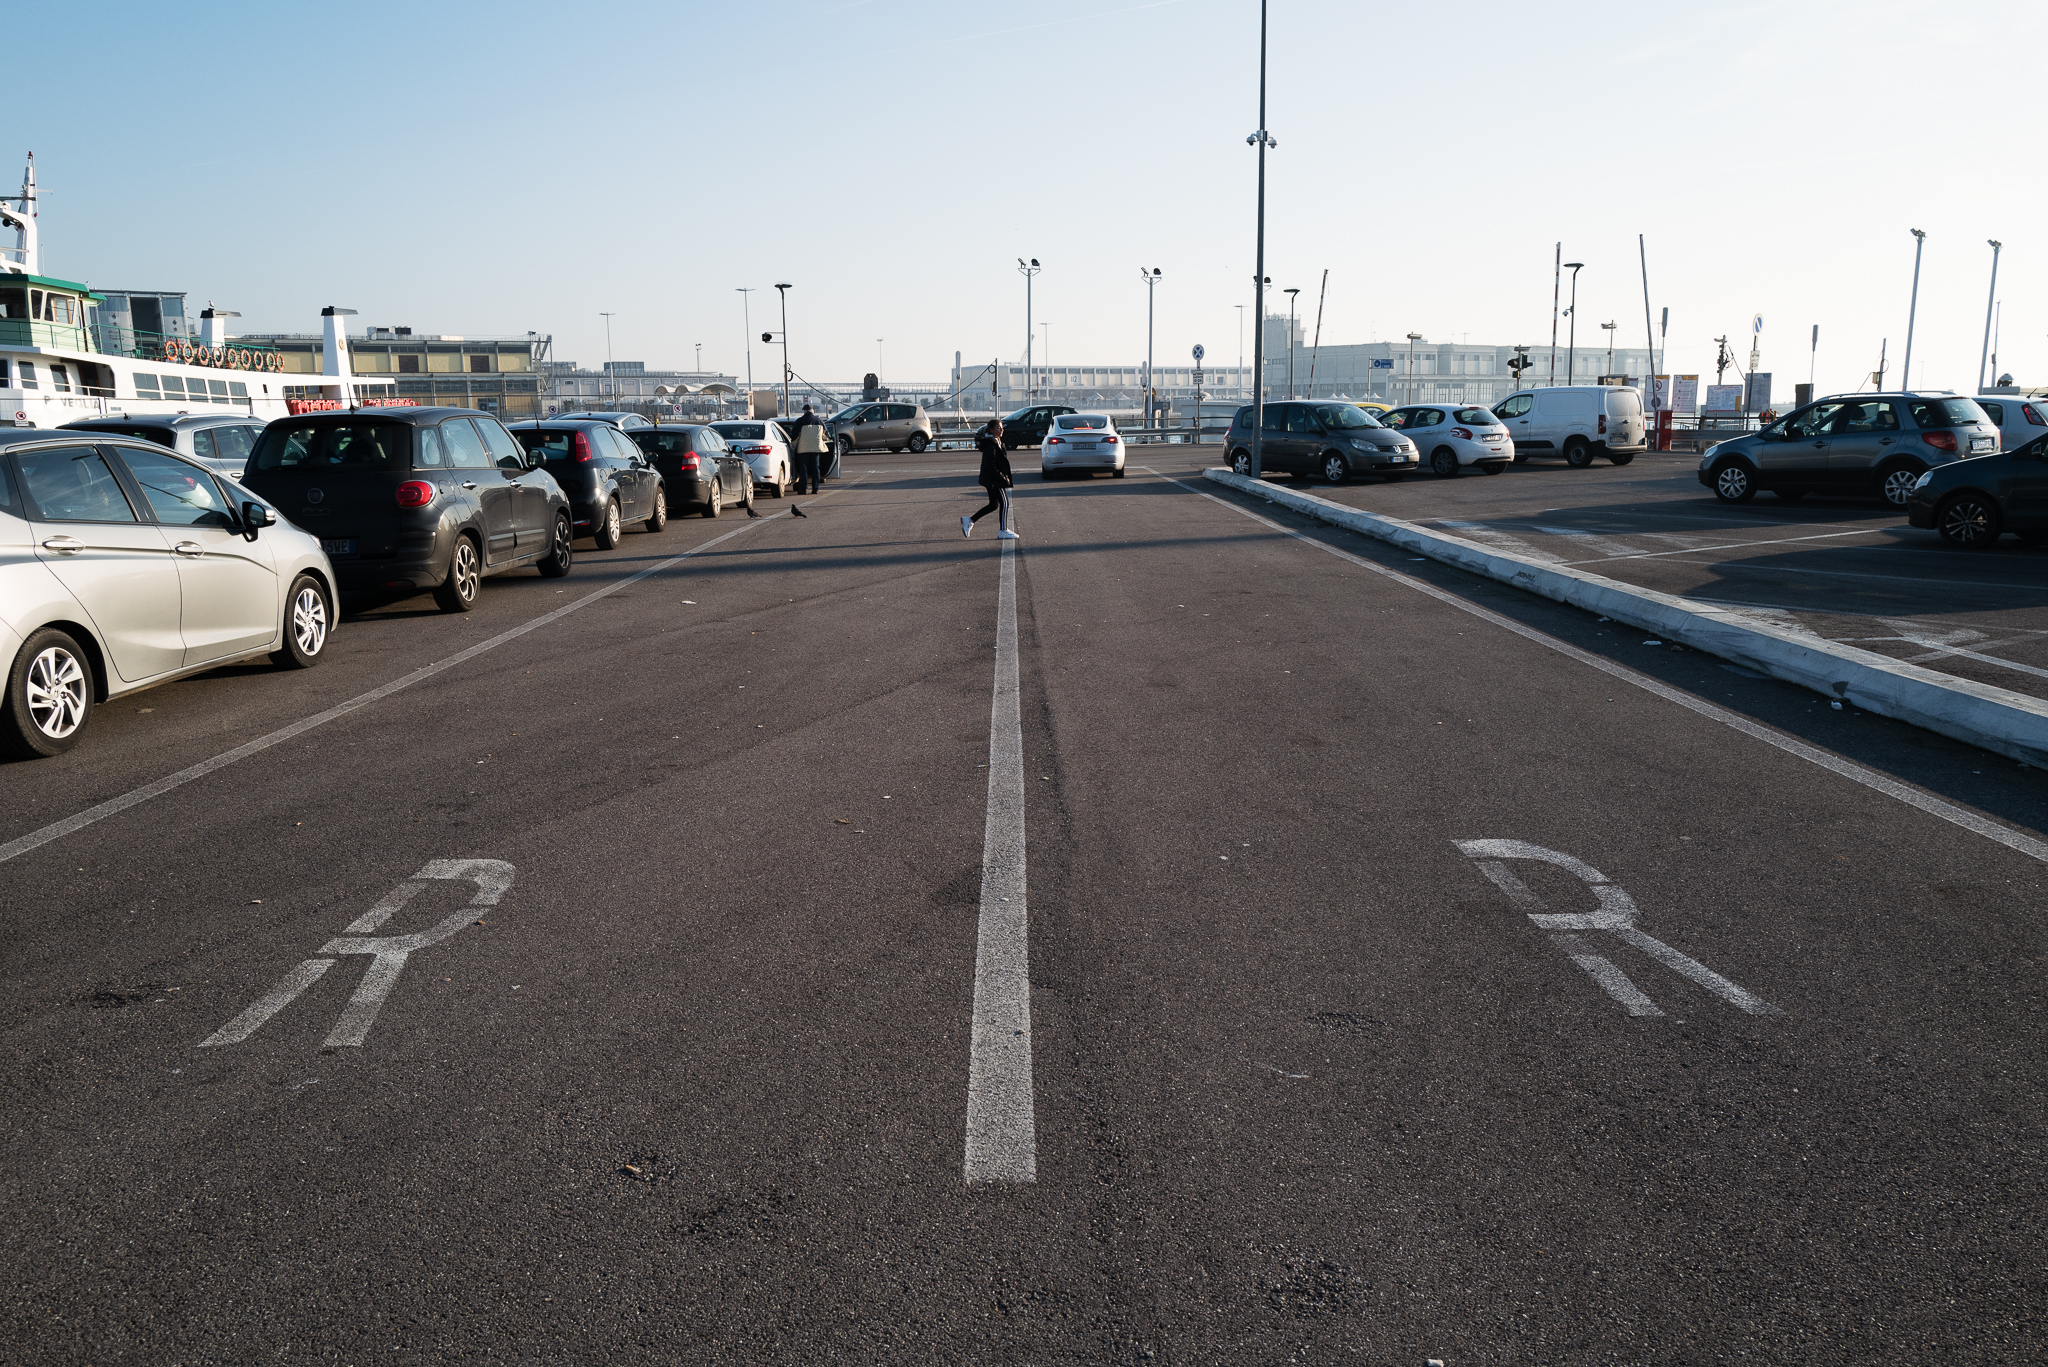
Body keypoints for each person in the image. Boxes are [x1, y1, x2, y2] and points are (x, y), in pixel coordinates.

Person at [964, 419, 1018, 540]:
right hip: (993, 479)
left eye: (1002, 427)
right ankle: (1003, 530)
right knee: (1004, 503)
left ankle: (970, 520)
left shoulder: (997, 441)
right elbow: (990, 466)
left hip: (993, 478)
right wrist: (1002, 477)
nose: (1002, 429)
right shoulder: (990, 445)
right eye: (999, 427)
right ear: (991, 430)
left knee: (993, 505)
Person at [790, 403, 827, 498]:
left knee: (804, 469)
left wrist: (794, 447)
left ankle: (804, 488)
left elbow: (795, 437)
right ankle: (815, 489)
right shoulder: (819, 421)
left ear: (804, 411)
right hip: (816, 448)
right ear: (812, 411)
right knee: (815, 468)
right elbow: (826, 435)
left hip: (803, 449)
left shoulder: (800, 421)